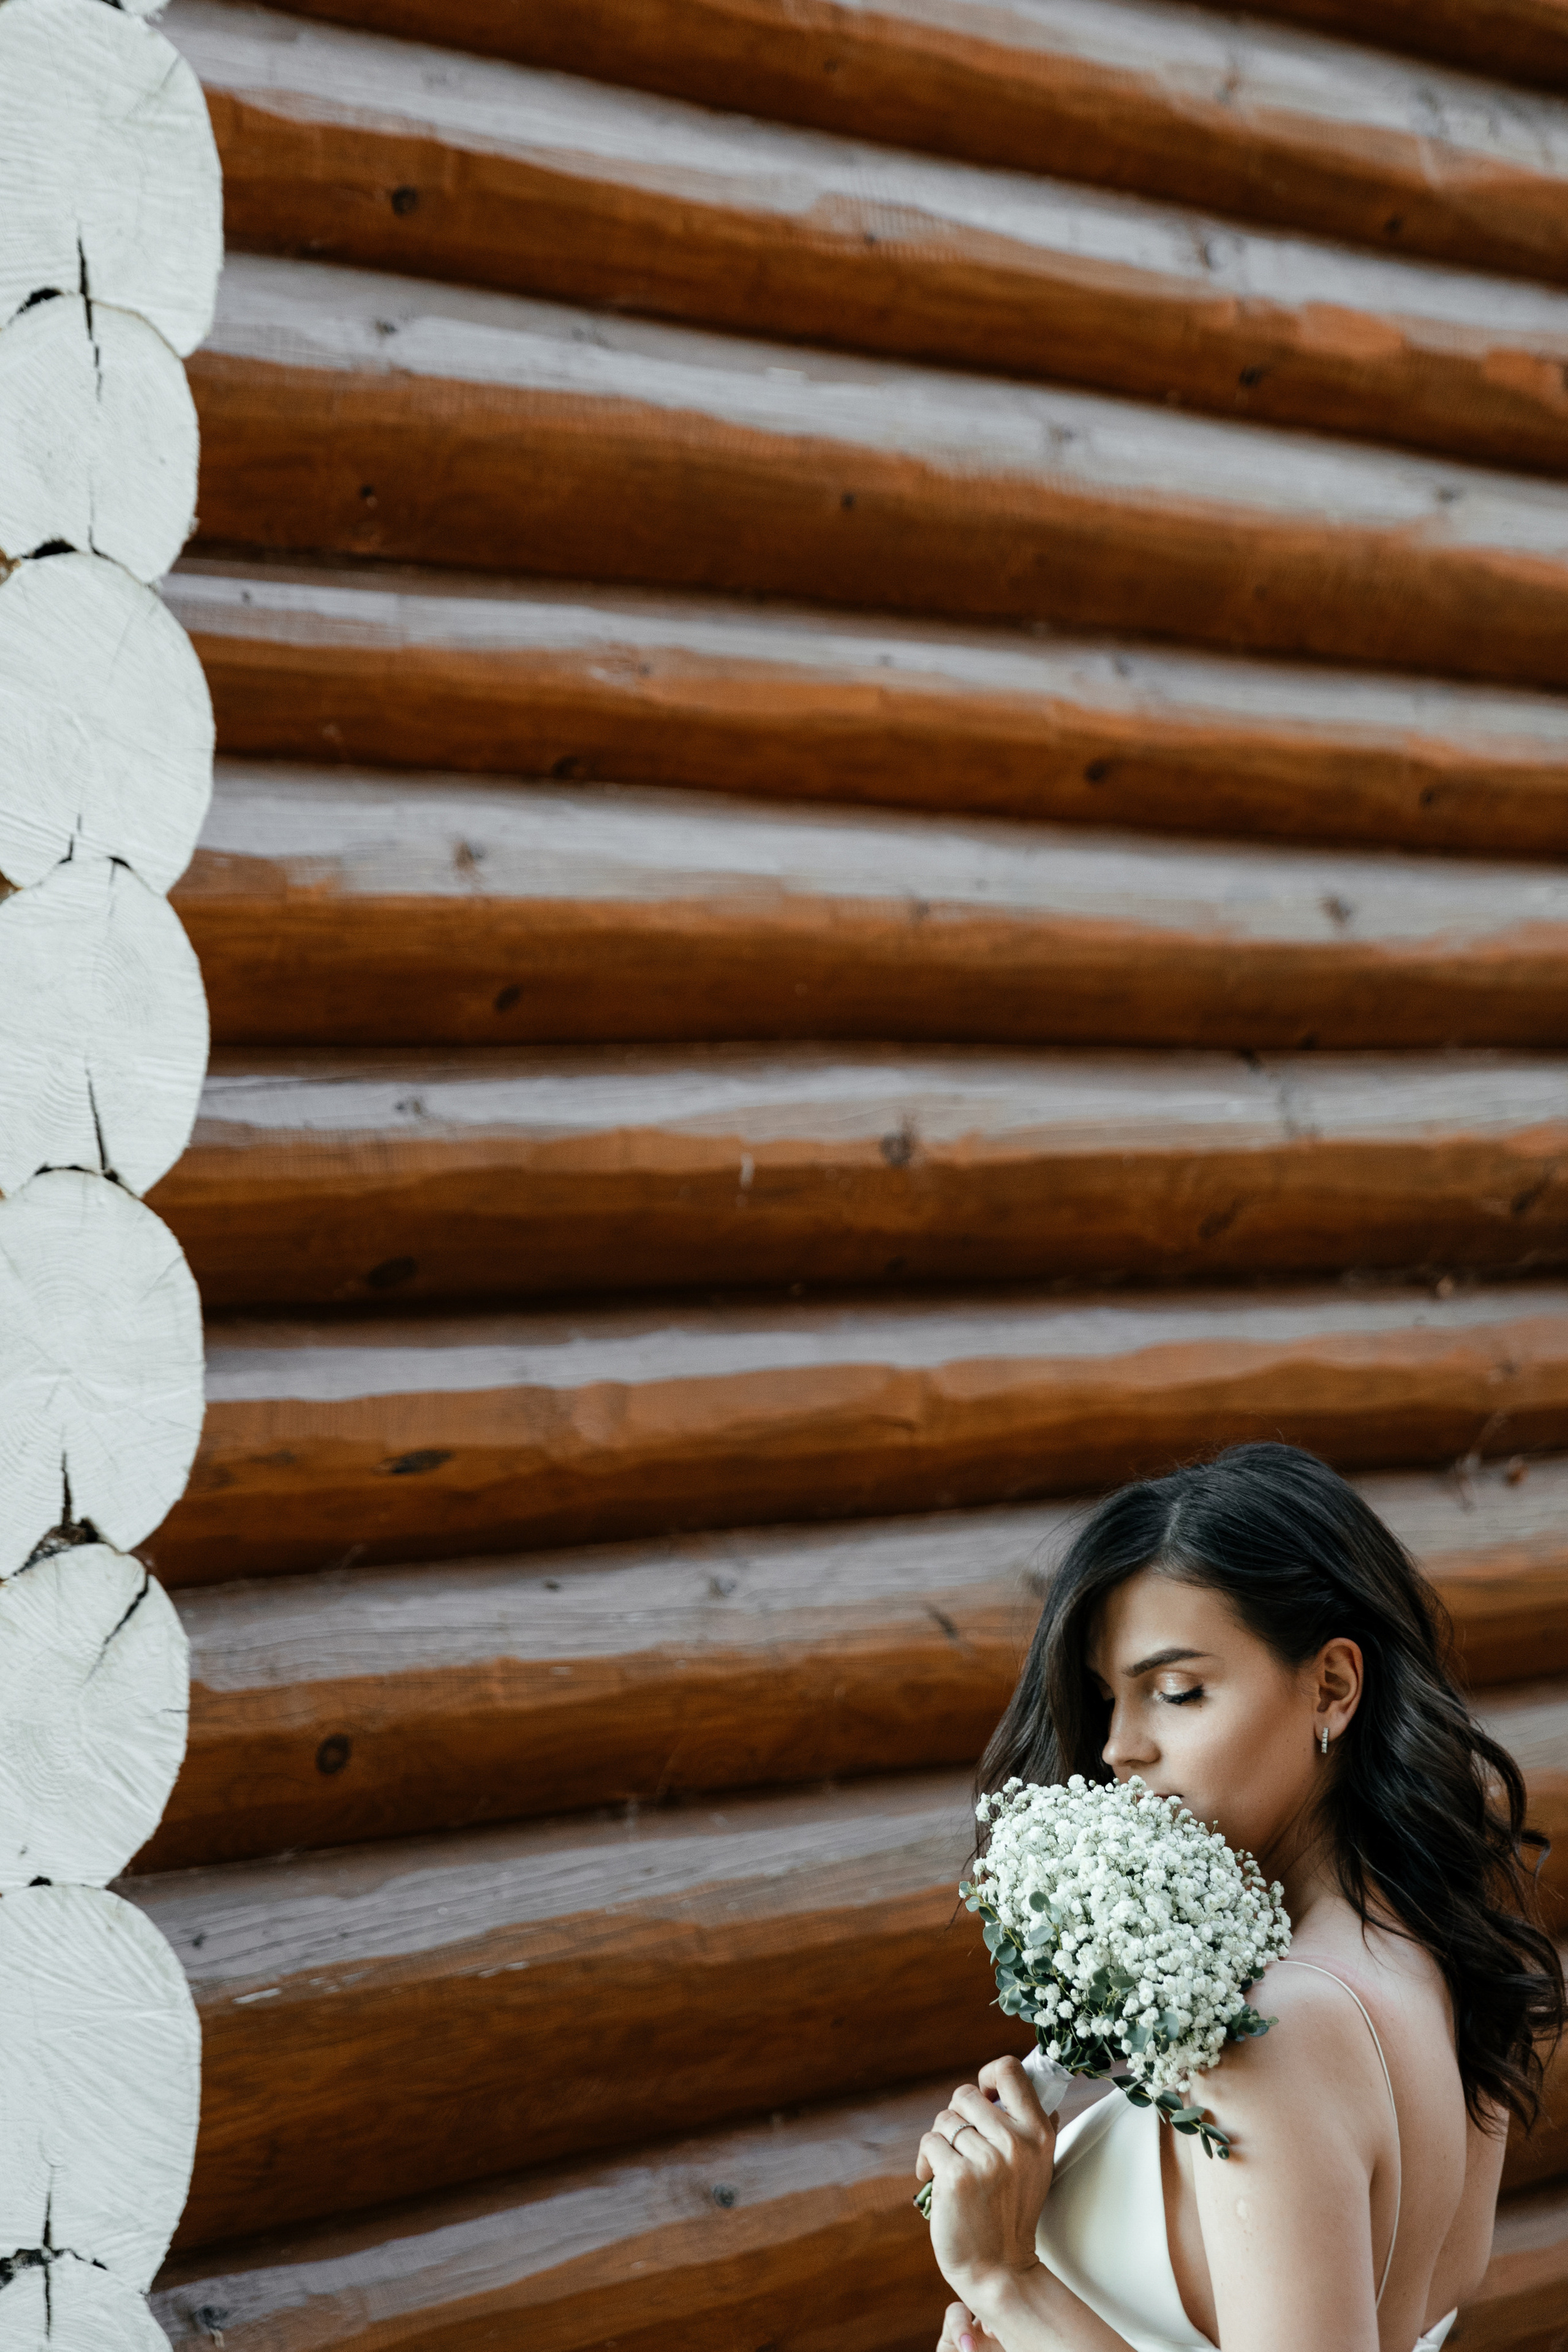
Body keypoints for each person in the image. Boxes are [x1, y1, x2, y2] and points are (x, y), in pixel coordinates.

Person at [914, 1443, 1563, 2352]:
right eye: (1107, 1699)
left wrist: (1008, 2281)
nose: (1119, 1747)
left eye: (1177, 1692)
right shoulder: (1452, 1977)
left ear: (1332, 1688)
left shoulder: (1275, 2032)